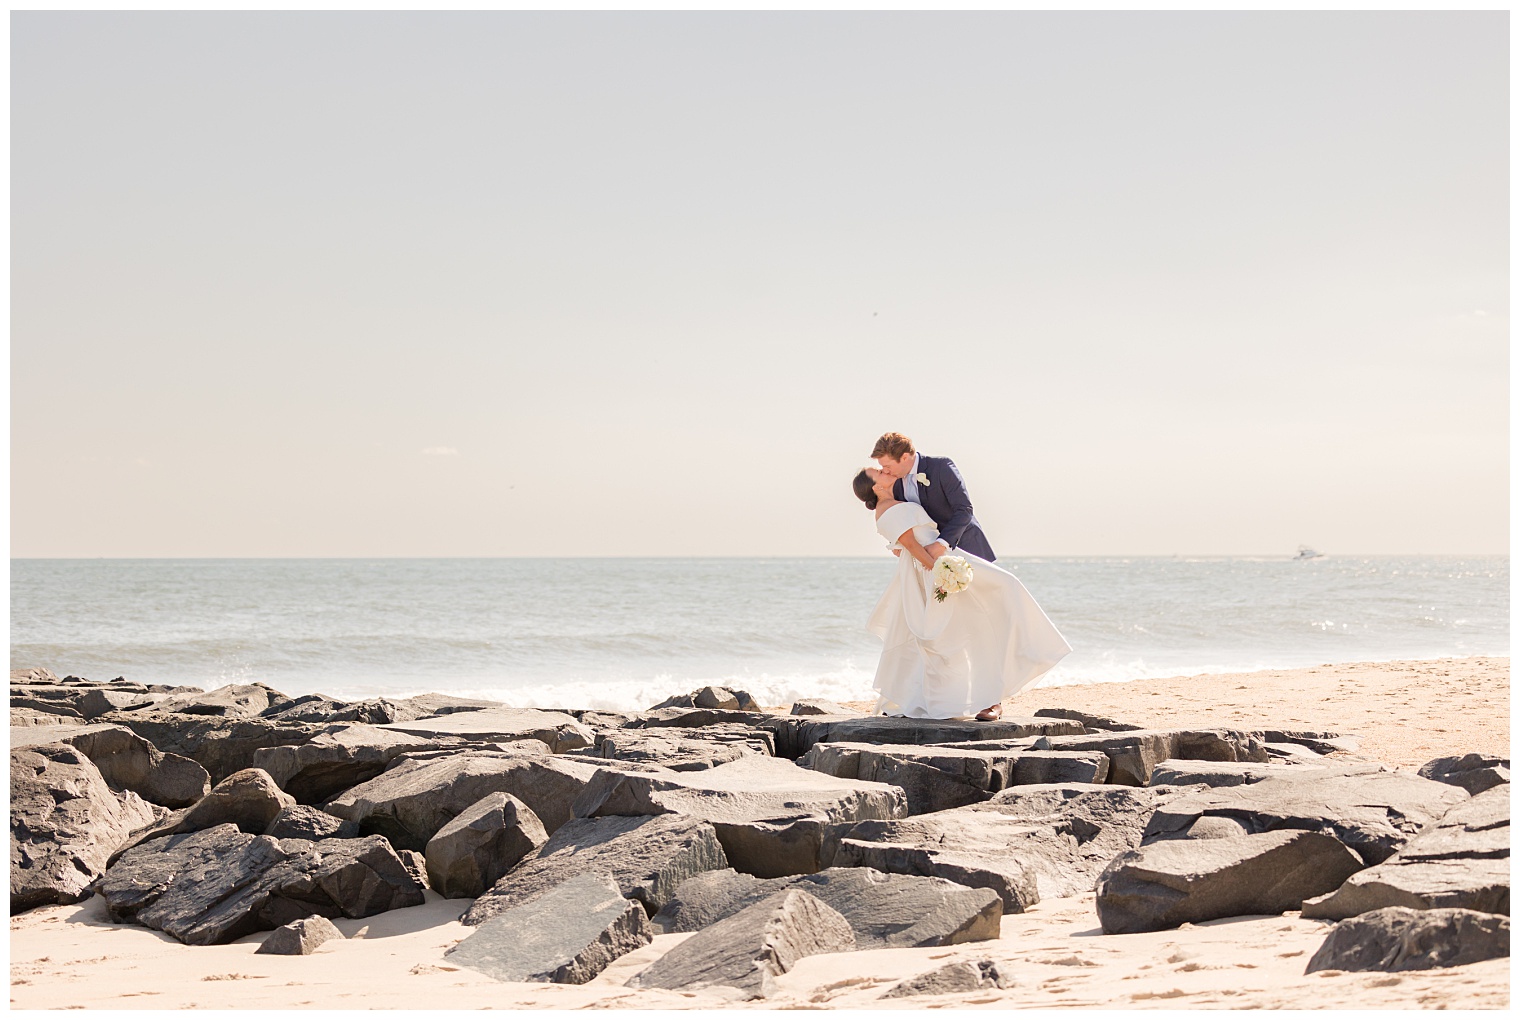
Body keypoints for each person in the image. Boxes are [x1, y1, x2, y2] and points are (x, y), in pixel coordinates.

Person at [851, 462, 1071, 721]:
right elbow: (909, 546)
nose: (884, 470)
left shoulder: (898, 499)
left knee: (1003, 591)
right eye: (878, 472)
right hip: (936, 568)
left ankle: (1027, 656)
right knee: (959, 629)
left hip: (946, 559)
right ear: (875, 486)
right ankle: (977, 695)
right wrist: (942, 572)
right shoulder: (886, 509)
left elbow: (902, 546)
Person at [872, 432, 996, 562]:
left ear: (904, 457)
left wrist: (942, 544)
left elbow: (964, 510)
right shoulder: (895, 483)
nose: (885, 471)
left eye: (887, 466)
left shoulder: (941, 467)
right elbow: (900, 517)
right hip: (930, 559)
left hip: (968, 549)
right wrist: (897, 541)